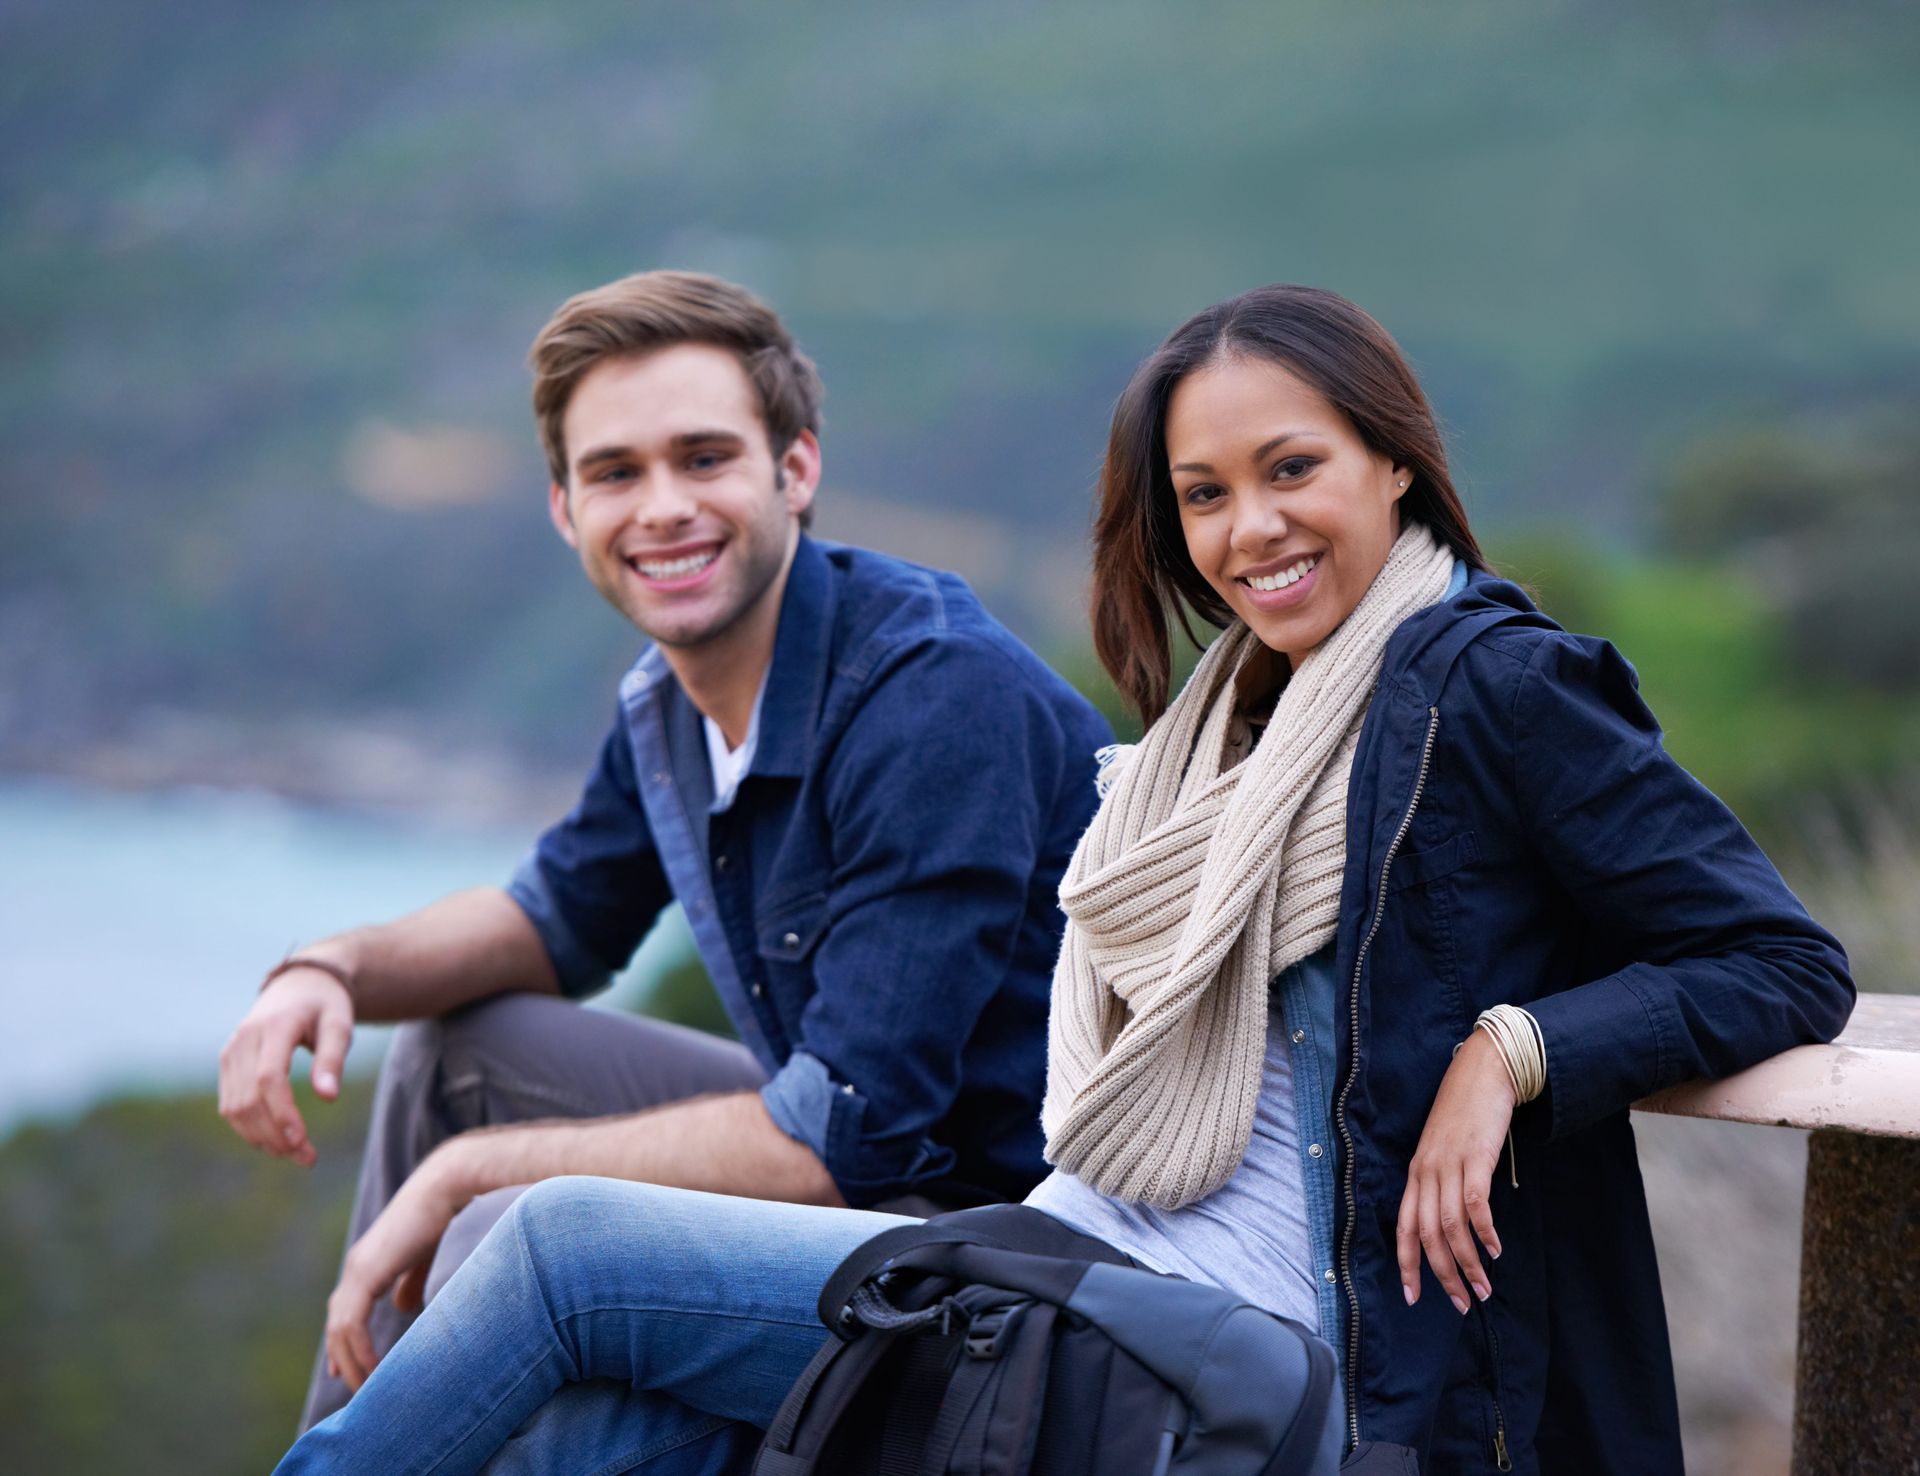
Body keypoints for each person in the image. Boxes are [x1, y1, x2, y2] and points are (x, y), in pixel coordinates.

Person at [278, 284, 1852, 1476]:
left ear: (1394, 467)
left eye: (1292, 467)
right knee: (590, 1393)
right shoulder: (1231, 717)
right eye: (1205, 494)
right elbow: (563, 911)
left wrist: (1512, 1055)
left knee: (551, 1251)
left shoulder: (1493, 684)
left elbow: (1779, 962)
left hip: (1268, 1355)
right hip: (1076, 1247)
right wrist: (332, 964)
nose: (1251, 529)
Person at [217, 269, 1113, 1430]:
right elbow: (554, 919)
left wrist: (463, 1174)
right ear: (563, 508)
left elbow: (843, 1134)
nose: (662, 508)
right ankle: (351, 1432)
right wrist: (322, 971)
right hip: (865, 1171)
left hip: (1003, 1247)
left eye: (704, 459)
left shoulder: (933, 696)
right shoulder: (671, 705)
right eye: (616, 473)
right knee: (457, 1054)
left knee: (505, 1239)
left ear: (795, 469)